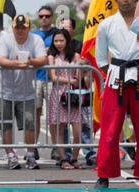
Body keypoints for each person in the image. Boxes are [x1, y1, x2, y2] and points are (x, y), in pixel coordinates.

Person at [0, 15, 47, 170]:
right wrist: (15, 64)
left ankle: (30, 155)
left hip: (26, 91)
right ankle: (11, 156)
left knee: (30, 123)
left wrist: (30, 62)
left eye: (24, 27)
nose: (20, 30)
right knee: (6, 125)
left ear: (29, 28)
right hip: (3, 90)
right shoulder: (5, 39)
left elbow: (43, 59)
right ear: (13, 28)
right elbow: (0, 59)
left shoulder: (36, 40)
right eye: (18, 27)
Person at [94, 0, 138, 188]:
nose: (126, 1)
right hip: (116, 79)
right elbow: (101, 58)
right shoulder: (106, 24)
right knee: (110, 131)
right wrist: (114, 71)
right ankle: (104, 175)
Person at [59, 17, 97, 167]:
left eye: (68, 27)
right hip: (62, 90)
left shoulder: (80, 45)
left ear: (73, 29)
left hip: (80, 90)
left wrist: (81, 71)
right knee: (63, 124)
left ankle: (90, 153)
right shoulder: (56, 46)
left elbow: (86, 69)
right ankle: (66, 155)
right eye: (62, 26)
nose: (65, 29)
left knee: (84, 124)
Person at [47, 29, 86, 170]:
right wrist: (71, 80)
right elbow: (54, 77)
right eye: (56, 41)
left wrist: (82, 68)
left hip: (74, 96)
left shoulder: (75, 56)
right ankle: (64, 159)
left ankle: (74, 158)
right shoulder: (52, 57)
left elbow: (80, 77)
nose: (58, 43)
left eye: (61, 40)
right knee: (59, 129)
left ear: (67, 41)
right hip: (57, 95)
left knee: (77, 130)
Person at [31, 5, 56, 160]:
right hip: (36, 78)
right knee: (35, 115)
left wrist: (46, 52)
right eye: (41, 16)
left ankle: (56, 147)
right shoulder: (33, 34)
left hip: (53, 79)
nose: (44, 19)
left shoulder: (57, 33)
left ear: (52, 17)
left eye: (47, 16)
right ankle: (33, 147)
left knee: (54, 116)